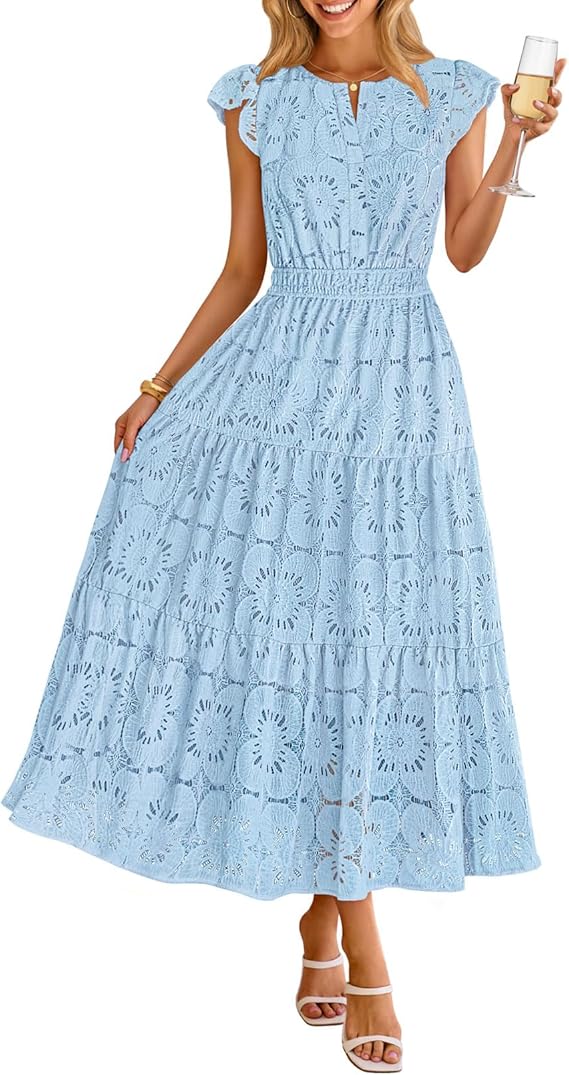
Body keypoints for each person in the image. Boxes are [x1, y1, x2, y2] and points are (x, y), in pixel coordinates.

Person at [3, 1, 564, 1070]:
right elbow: (240, 269)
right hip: (279, 397)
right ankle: (360, 936)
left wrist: (517, 146)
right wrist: (157, 387)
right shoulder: (254, 101)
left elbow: (462, 251)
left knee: (370, 652)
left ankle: (322, 914)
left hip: (400, 401)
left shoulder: (451, 91)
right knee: (301, 651)